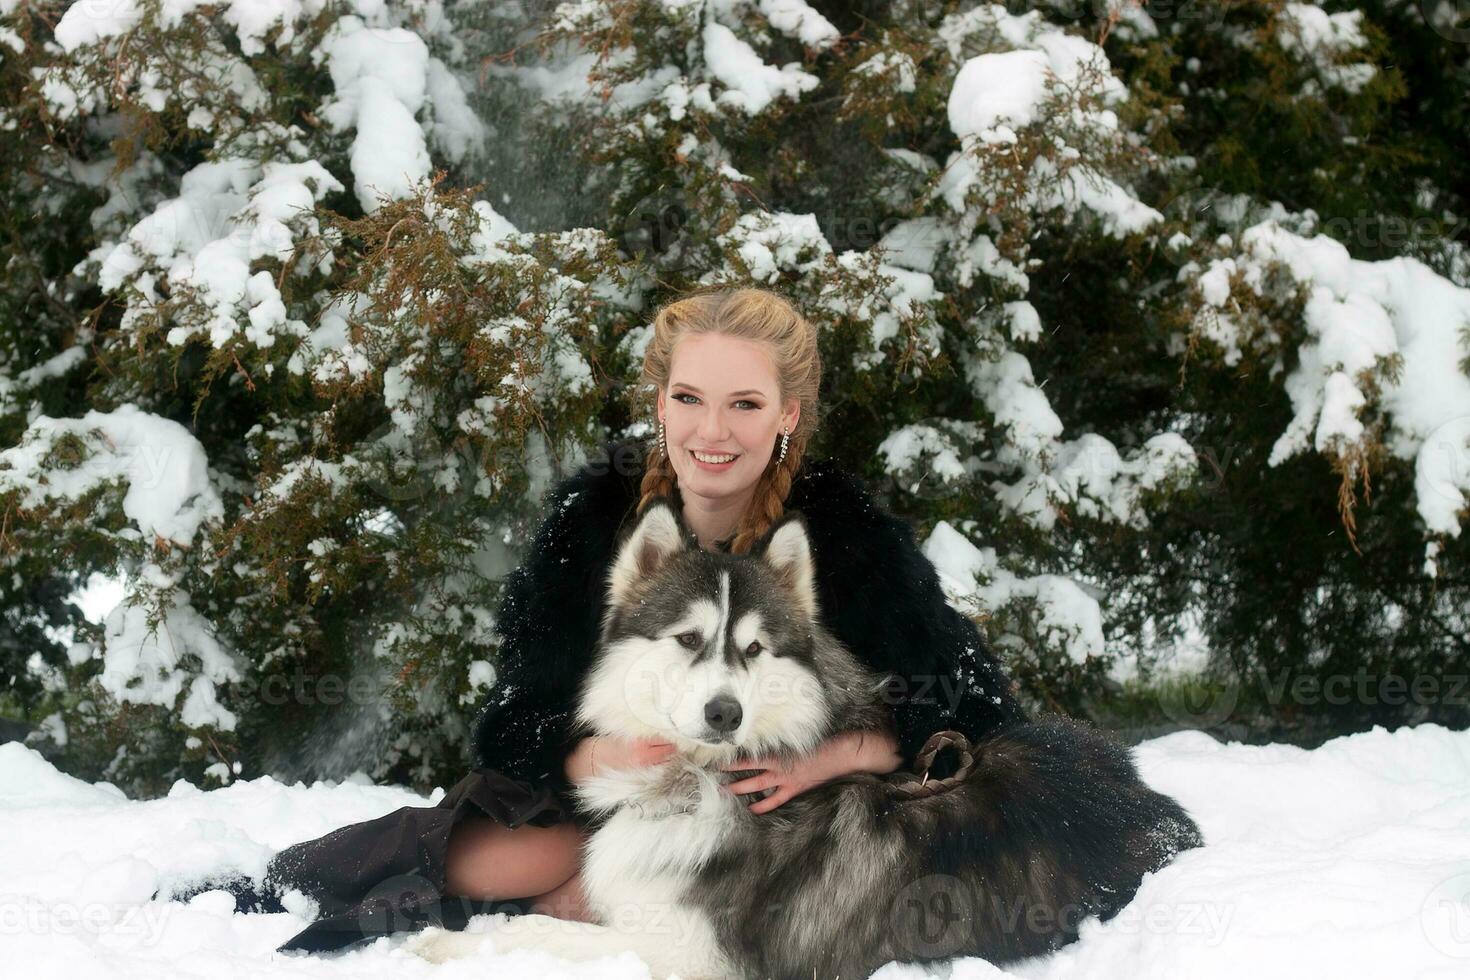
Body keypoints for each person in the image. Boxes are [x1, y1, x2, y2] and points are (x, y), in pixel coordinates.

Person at [172, 285, 1027, 953]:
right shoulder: (597, 518)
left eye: (745, 405)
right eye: (689, 398)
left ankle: (610, 904)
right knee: (523, 850)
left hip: (782, 815)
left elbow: (966, 702)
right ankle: (278, 887)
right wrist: (591, 753)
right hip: (623, 788)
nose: (712, 432)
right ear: (659, 402)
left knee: (647, 865)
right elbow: (514, 719)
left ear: (788, 416)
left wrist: (839, 753)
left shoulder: (841, 532)